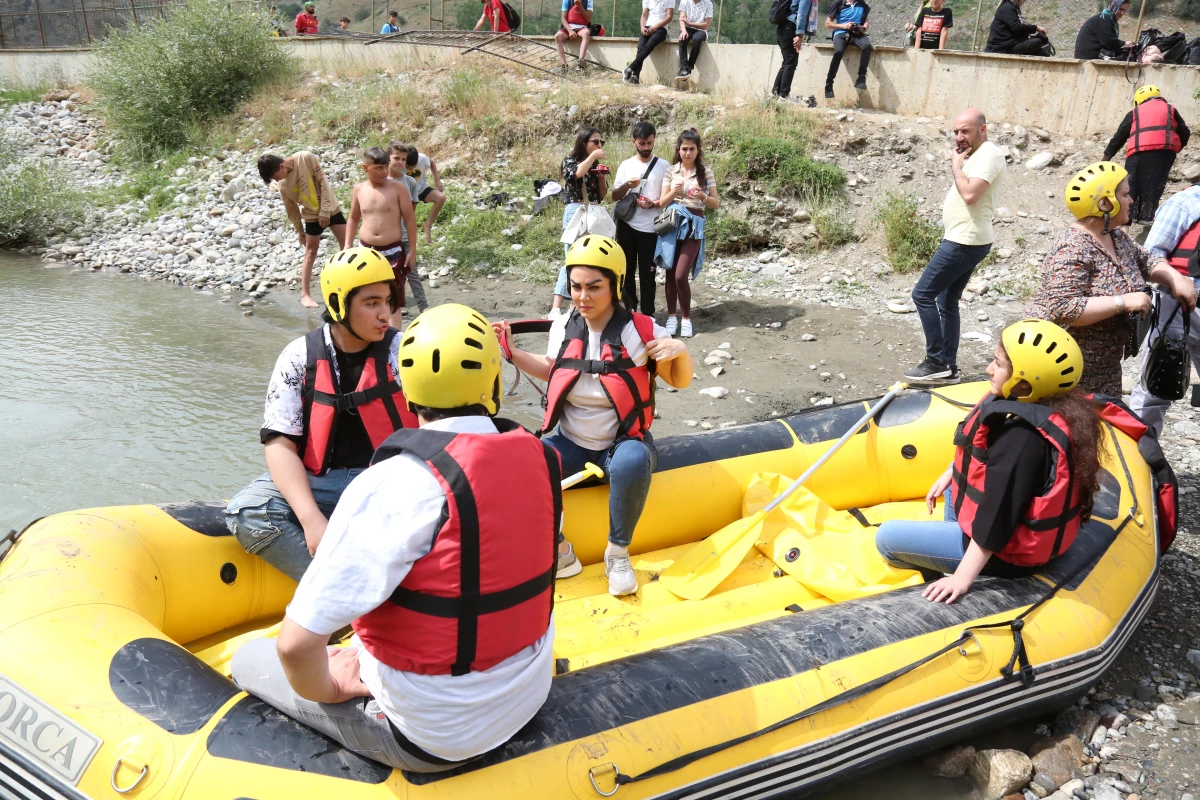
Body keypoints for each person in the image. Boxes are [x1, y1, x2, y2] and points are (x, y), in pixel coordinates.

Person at [231, 302, 560, 772]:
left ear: (406, 390)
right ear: (492, 384)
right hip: (528, 696)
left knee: (250, 658)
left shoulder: (393, 483)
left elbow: (295, 647)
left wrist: (332, 686)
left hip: (432, 736)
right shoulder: (541, 461)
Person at [494, 236, 693, 596]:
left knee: (633, 458)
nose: (582, 297)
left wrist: (680, 350)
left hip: (621, 444)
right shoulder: (564, 326)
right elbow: (554, 368)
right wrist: (512, 352)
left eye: (594, 287)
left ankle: (617, 552)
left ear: (616, 285)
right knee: (524, 458)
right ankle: (561, 552)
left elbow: (679, 380)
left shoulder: (641, 330)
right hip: (571, 443)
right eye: (575, 287)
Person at [225, 248, 417, 583]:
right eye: (372, 303)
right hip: (323, 484)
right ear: (339, 304)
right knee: (249, 512)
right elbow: (280, 445)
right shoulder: (299, 356)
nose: (385, 314)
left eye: (388, 301)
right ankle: (345, 592)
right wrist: (312, 521)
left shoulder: (404, 353)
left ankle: (355, 598)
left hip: (389, 484)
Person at [875, 320, 1100, 604]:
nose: (988, 370)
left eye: (997, 363)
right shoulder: (1053, 408)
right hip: (1004, 530)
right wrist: (951, 472)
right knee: (952, 485)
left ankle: (944, 570)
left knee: (886, 538)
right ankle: (951, 544)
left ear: (1024, 380)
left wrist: (962, 578)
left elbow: (998, 517)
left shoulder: (1021, 441)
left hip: (1008, 554)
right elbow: (978, 458)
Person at [1026, 162, 1197, 396]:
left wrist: (1174, 278)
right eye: (1125, 195)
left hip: (1105, 366)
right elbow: (1063, 308)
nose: (1132, 200)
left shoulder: (1115, 236)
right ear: (1105, 203)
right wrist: (1123, 302)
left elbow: (1146, 261)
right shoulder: (1072, 247)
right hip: (1064, 368)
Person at [904, 109, 1005, 384]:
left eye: (966, 131)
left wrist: (956, 168)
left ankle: (936, 361)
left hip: (965, 241)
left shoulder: (989, 154)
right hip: (964, 239)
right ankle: (948, 367)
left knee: (922, 294)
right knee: (946, 301)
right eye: (956, 132)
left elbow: (971, 195)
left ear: (982, 129)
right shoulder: (975, 154)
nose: (959, 137)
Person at [1129, 183, 1200, 434]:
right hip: (1175, 305)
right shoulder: (1187, 202)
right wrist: (1175, 279)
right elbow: (1150, 255)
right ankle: (1139, 460)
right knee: (1155, 385)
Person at [258, 151, 347, 310]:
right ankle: (305, 295)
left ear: (281, 166)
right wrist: (300, 231)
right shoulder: (283, 185)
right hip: (311, 215)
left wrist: (325, 211)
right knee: (310, 251)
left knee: (347, 248)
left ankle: (347, 286)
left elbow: (323, 183)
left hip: (331, 209)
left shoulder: (305, 158)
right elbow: (291, 209)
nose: (277, 180)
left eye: (275, 176)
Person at [346, 146, 418, 330]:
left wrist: (412, 251)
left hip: (392, 250)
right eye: (378, 168)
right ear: (365, 168)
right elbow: (353, 218)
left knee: (393, 299)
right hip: (365, 250)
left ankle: (393, 341)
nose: (384, 172)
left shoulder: (398, 188)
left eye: (385, 167)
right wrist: (347, 245)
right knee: (367, 294)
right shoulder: (359, 189)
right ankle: (369, 333)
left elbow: (410, 220)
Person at [655, 128, 718, 338]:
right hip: (672, 223)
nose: (688, 153)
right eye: (684, 149)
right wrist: (675, 191)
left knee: (681, 274)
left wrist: (702, 197)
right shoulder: (671, 171)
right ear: (678, 150)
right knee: (670, 273)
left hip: (694, 224)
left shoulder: (705, 172)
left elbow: (715, 203)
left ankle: (686, 319)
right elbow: (662, 202)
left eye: (692, 149)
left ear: (698, 150)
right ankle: (672, 317)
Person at [1103, 85, 1190, 225]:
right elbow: (1184, 132)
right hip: (1165, 152)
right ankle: (1146, 218)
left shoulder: (1135, 112)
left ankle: (1125, 221)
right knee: (1155, 183)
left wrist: (1105, 158)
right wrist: (1176, 148)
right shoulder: (1171, 109)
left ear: (1139, 100)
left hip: (1137, 151)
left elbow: (1119, 137)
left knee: (1131, 184)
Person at [550, 127, 609, 318]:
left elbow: (602, 195)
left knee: (590, 259)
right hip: (576, 210)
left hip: (594, 210)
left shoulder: (595, 164)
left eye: (601, 142)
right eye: (596, 142)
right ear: (584, 142)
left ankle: (574, 308)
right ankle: (556, 307)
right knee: (571, 259)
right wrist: (592, 158)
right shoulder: (570, 160)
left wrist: (601, 178)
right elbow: (574, 174)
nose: (599, 146)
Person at [612, 121, 668, 314]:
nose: (646, 148)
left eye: (649, 143)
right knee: (625, 273)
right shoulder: (626, 165)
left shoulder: (663, 166)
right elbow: (614, 196)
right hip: (627, 226)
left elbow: (669, 198)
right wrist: (628, 185)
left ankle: (648, 315)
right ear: (633, 141)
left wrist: (653, 203)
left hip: (651, 229)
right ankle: (629, 311)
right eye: (642, 143)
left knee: (648, 275)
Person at [388, 141, 429, 313]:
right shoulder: (381, 182)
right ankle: (395, 306)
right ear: (387, 158)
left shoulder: (410, 182)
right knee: (389, 275)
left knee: (412, 272)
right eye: (396, 158)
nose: (400, 162)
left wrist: (413, 245)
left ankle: (424, 308)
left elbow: (411, 215)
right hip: (386, 239)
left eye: (403, 160)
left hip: (404, 237)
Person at [393, 144, 446, 246]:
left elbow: (432, 163)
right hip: (408, 194)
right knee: (409, 218)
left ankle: (428, 225)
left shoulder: (422, 158)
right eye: (408, 167)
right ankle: (405, 240)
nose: (411, 168)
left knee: (441, 198)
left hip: (422, 189)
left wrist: (437, 180)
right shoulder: (400, 163)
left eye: (414, 166)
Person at [824, 0, 872, 98]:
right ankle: (829, 84)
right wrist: (844, 26)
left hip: (856, 33)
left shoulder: (862, 4)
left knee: (867, 46)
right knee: (838, 52)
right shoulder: (838, 3)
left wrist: (863, 28)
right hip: (840, 32)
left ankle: (861, 78)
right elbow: (828, 24)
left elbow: (866, 21)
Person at [623, 0, 675, 85]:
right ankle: (635, 76)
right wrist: (642, 27)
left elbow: (669, 17)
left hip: (661, 29)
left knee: (648, 46)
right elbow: (644, 15)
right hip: (647, 27)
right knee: (640, 48)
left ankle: (629, 68)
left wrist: (656, 26)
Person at [772, 0, 812, 101]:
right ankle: (784, 95)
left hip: (783, 27)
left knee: (787, 62)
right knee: (791, 62)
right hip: (791, 27)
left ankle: (775, 93)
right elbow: (802, 13)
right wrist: (799, 34)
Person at [985, 0, 1050, 56]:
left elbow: (1015, 30)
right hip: (1001, 48)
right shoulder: (1007, 8)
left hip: (1007, 45)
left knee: (1036, 42)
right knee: (1036, 43)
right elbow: (1016, 27)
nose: (1024, 2)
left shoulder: (1009, 7)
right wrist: (1036, 28)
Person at [676, 0, 713, 81]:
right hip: (687, 28)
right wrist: (683, 31)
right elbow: (681, 18)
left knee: (697, 39)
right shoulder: (684, 1)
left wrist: (689, 23)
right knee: (683, 38)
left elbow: (706, 25)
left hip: (701, 30)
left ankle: (689, 67)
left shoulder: (708, 3)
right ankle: (684, 68)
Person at [554, 0, 594, 74]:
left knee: (586, 33)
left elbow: (588, 19)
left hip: (582, 27)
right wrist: (570, 31)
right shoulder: (567, 1)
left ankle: (581, 62)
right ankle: (564, 65)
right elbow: (563, 18)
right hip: (568, 27)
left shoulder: (589, 1)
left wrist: (579, 5)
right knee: (557, 37)